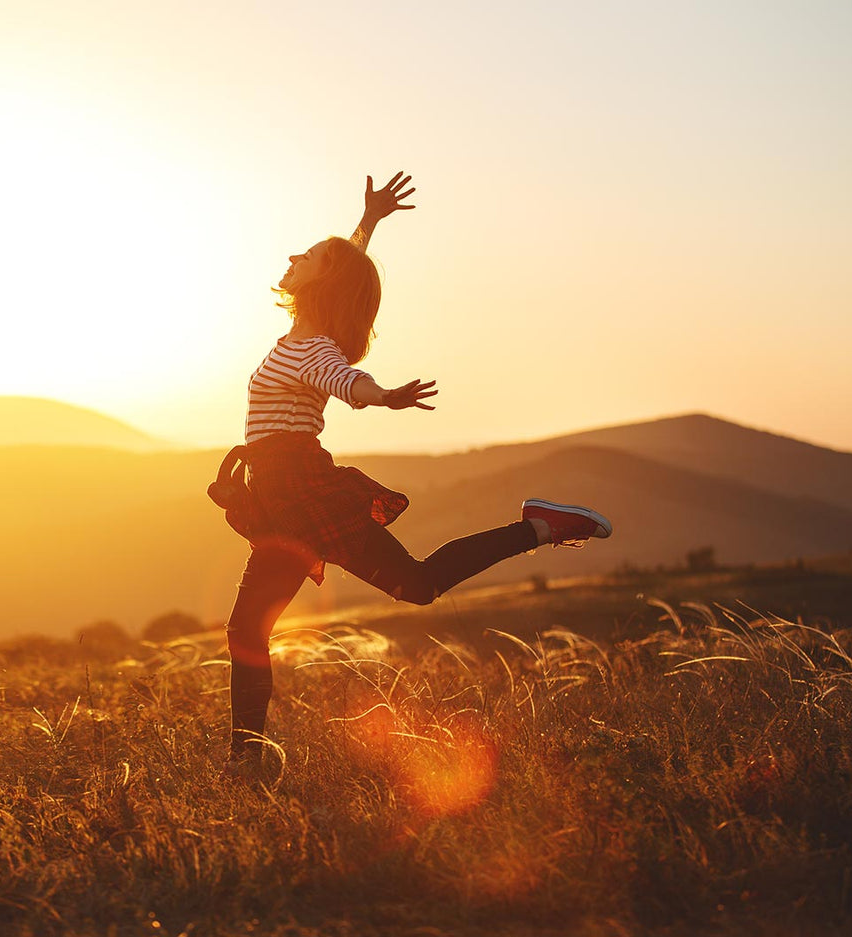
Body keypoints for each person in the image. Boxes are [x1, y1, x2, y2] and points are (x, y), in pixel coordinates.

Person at [217, 171, 613, 766]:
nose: (295, 255)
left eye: (311, 255)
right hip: (276, 498)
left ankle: (540, 527)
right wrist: (369, 222)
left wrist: (382, 396)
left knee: (417, 587)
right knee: (247, 631)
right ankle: (246, 761)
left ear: (322, 279)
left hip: (301, 492)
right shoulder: (303, 331)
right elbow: (344, 269)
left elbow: (347, 381)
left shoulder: (313, 348)